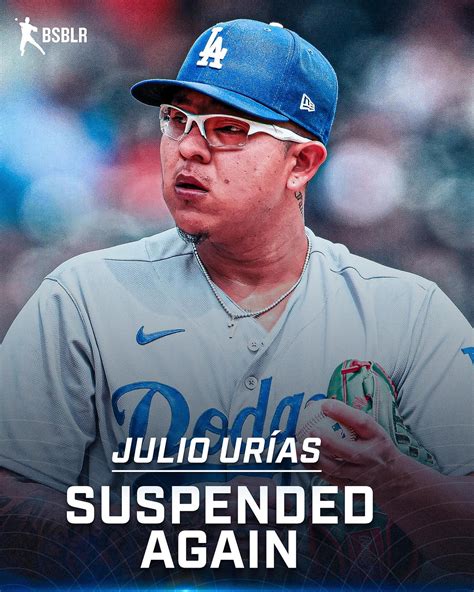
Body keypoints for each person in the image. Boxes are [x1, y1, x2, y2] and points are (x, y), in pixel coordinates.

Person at [0, 18, 472, 587]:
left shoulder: (408, 314)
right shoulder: (80, 297)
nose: (188, 148)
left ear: (301, 164)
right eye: (177, 120)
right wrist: (177, 525)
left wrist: (395, 482)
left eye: (227, 129)